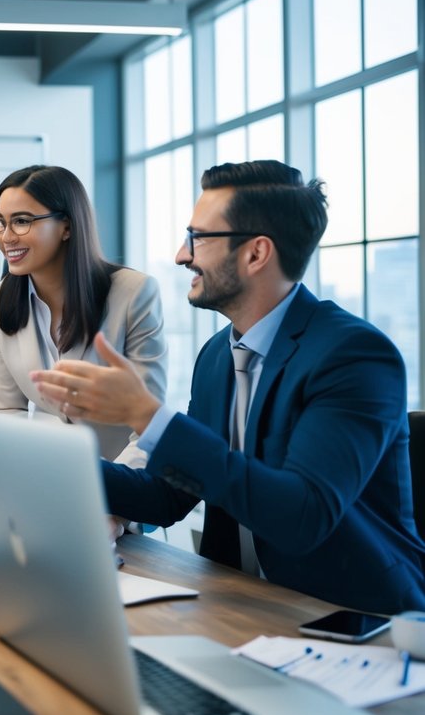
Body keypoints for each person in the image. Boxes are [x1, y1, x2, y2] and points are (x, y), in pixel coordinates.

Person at [31, 160, 425, 614]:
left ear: (256, 254)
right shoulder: (218, 354)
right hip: (239, 603)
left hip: (352, 619)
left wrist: (147, 416)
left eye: (197, 237)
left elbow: (302, 517)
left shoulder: (353, 357)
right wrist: (56, 462)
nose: (182, 255)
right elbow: (167, 497)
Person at [0, 165, 166, 466]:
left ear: (66, 226)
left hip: (122, 484)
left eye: (22, 222)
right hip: (44, 480)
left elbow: (148, 423)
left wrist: (118, 505)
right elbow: (7, 410)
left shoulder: (134, 292)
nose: (6, 237)